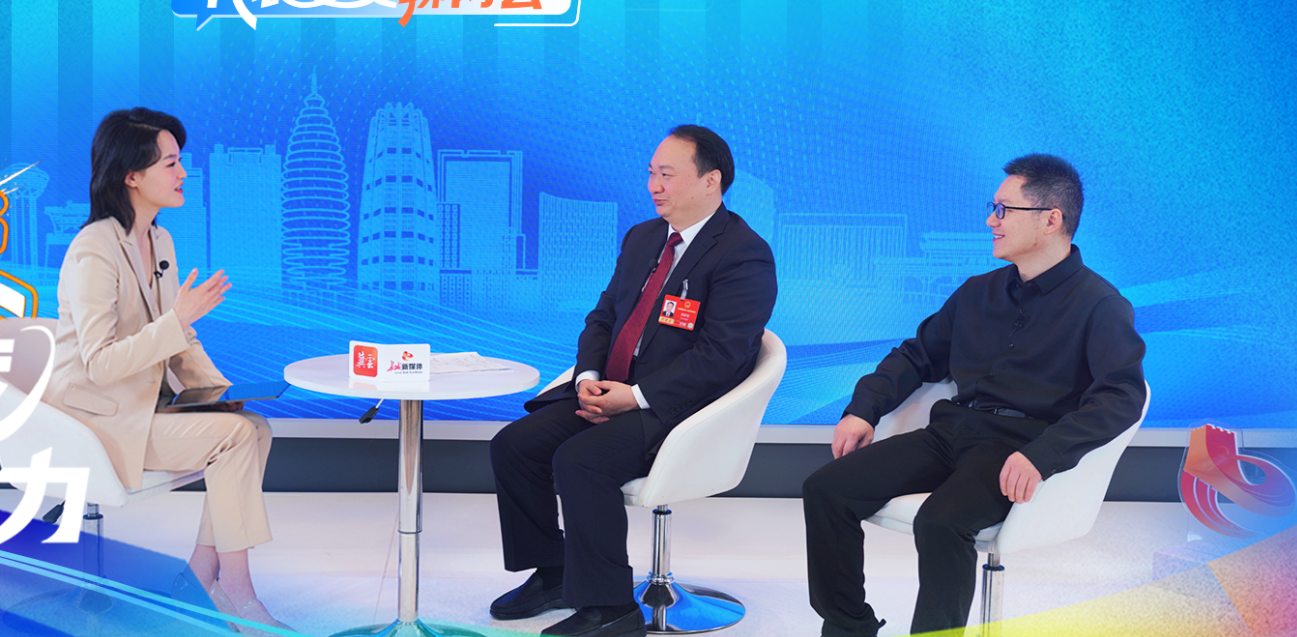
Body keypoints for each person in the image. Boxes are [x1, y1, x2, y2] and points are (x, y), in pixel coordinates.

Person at [802, 154, 1147, 637]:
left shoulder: (1101, 305)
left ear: (1051, 220)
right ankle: (849, 626)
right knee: (825, 489)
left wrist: (1043, 455)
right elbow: (917, 356)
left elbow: (1120, 396)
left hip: (1016, 448)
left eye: (1004, 210)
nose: (991, 221)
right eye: (993, 208)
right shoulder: (977, 292)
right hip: (949, 433)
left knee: (941, 522)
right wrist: (864, 409)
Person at [489, 125, 778, 637]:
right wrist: (590, 377)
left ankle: (611, 608)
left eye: (667, 174)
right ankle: (555, 573)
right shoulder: (643, 237)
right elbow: (604, 318)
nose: (653, 186)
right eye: (650, 173)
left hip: (679, 410)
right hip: (613, 390)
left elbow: (722, 357)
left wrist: (636, 397)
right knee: (515, 446)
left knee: (580, 460)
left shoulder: (743, 254)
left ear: (710, 181)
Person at [50, 107, 287, 630]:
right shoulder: (93, 250)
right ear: (131, 175)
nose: (182, 173)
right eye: (170, 163)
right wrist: (177, 320)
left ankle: (200, 577)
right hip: (95, 418)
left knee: (253, 427)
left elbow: (180, 342)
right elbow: (100, 362)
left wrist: (221, 392)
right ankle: (236, 591)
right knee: (235, 439)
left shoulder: (160, 241)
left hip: (143, 410)